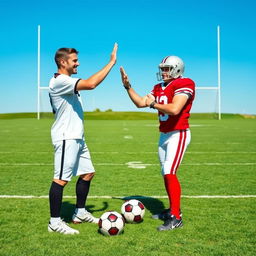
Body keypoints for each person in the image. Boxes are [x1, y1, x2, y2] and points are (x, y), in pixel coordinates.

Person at [48, 43, 118, 235]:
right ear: (63, 62)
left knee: (88, 173)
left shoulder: (68, 81)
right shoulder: (59, 81)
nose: (78, 63)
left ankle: (79, 213)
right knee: (61, 179)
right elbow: (91, 84)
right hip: (66, 137)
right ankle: (54, 222)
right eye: (75, 60)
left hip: (77, 137)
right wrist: (111, 63)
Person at [120, 56, 195, 231]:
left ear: (177, 69)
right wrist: (128, 87)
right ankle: (172, 210)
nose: (163, 72)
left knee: (170, 171)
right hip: (164, 134)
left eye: (167, 68)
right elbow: (140, 103)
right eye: (162, 68)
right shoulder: (158, 87)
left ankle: (176, 217)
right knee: (165, 172)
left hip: (179, 133)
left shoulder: (185, 83)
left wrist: (153, 103)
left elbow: (175, 109)